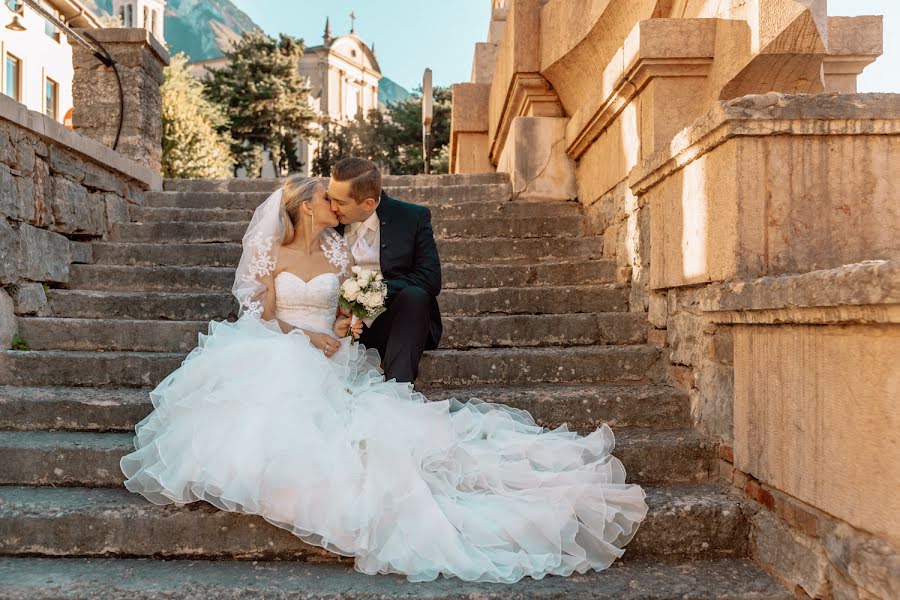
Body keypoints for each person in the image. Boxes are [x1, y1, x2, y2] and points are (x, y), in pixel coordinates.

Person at [119, 174, 648, 584]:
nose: (336, 206)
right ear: (307, 205)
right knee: (285, 388)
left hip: (333, 351)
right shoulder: (271, 252)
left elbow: (349, 302)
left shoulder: (336, 250)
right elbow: (260, 316)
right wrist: (307, 339)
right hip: (281, 346)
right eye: (328, 200)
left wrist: (348, 322)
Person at [328, 157, 441, 384]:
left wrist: (370, 292)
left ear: (368, 203)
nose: (332, 207)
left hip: (394, 323)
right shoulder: (327, 220)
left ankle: (396, 392)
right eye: (330, 198)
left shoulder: (412, 218)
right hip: (338, 323)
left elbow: (430, 279)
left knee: (416, 295)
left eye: (340, 202)